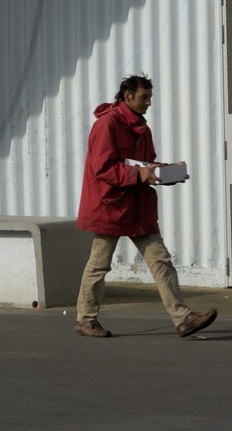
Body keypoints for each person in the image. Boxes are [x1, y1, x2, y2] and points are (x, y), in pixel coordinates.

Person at [74, 75, 217, 339]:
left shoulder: (140, 126)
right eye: (144, 97)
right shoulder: (107, 124)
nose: (149, 103)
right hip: (111, 205)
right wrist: (138, 175)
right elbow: (102, 168)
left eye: (150, 97)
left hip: (136, 206)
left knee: (161, 261)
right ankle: (85, 319)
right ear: (127, 96)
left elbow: (143, 164)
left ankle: (184, 318)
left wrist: (164, 172)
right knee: (99, 265)